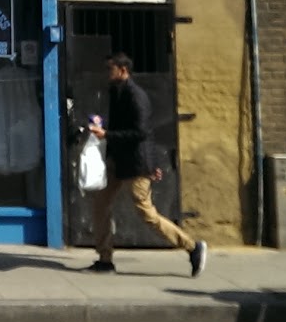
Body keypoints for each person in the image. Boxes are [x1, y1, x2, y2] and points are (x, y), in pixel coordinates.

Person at [86, 53, 207, 277]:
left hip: (135, 163)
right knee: (100, 205)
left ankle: (192, 246)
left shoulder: (135, 95)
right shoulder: (117, 91)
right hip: (118, 161)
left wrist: (109, 135)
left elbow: (142, 132)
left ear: (123, 70)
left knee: (146, 213)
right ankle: (105, 259)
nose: (107, 73)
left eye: (110, 69)